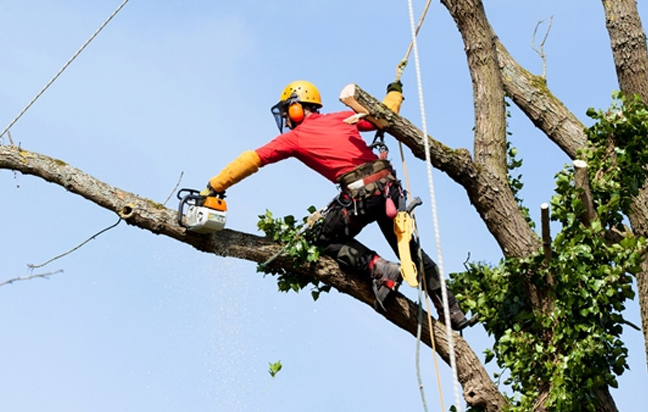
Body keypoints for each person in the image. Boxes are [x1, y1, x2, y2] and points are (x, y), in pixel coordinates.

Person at [202, 80, 472, 330]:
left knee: (323, 239)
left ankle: (379, 268)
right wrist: (395, 92)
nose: (286, 119)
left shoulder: (295, 137)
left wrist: (215, 186)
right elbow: (386, 114)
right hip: (388, 190)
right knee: (410, 252)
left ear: (297, 107)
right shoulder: (342, 118)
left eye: (287, 112)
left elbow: (252, 159)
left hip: (362, 195)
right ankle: (452, 309)